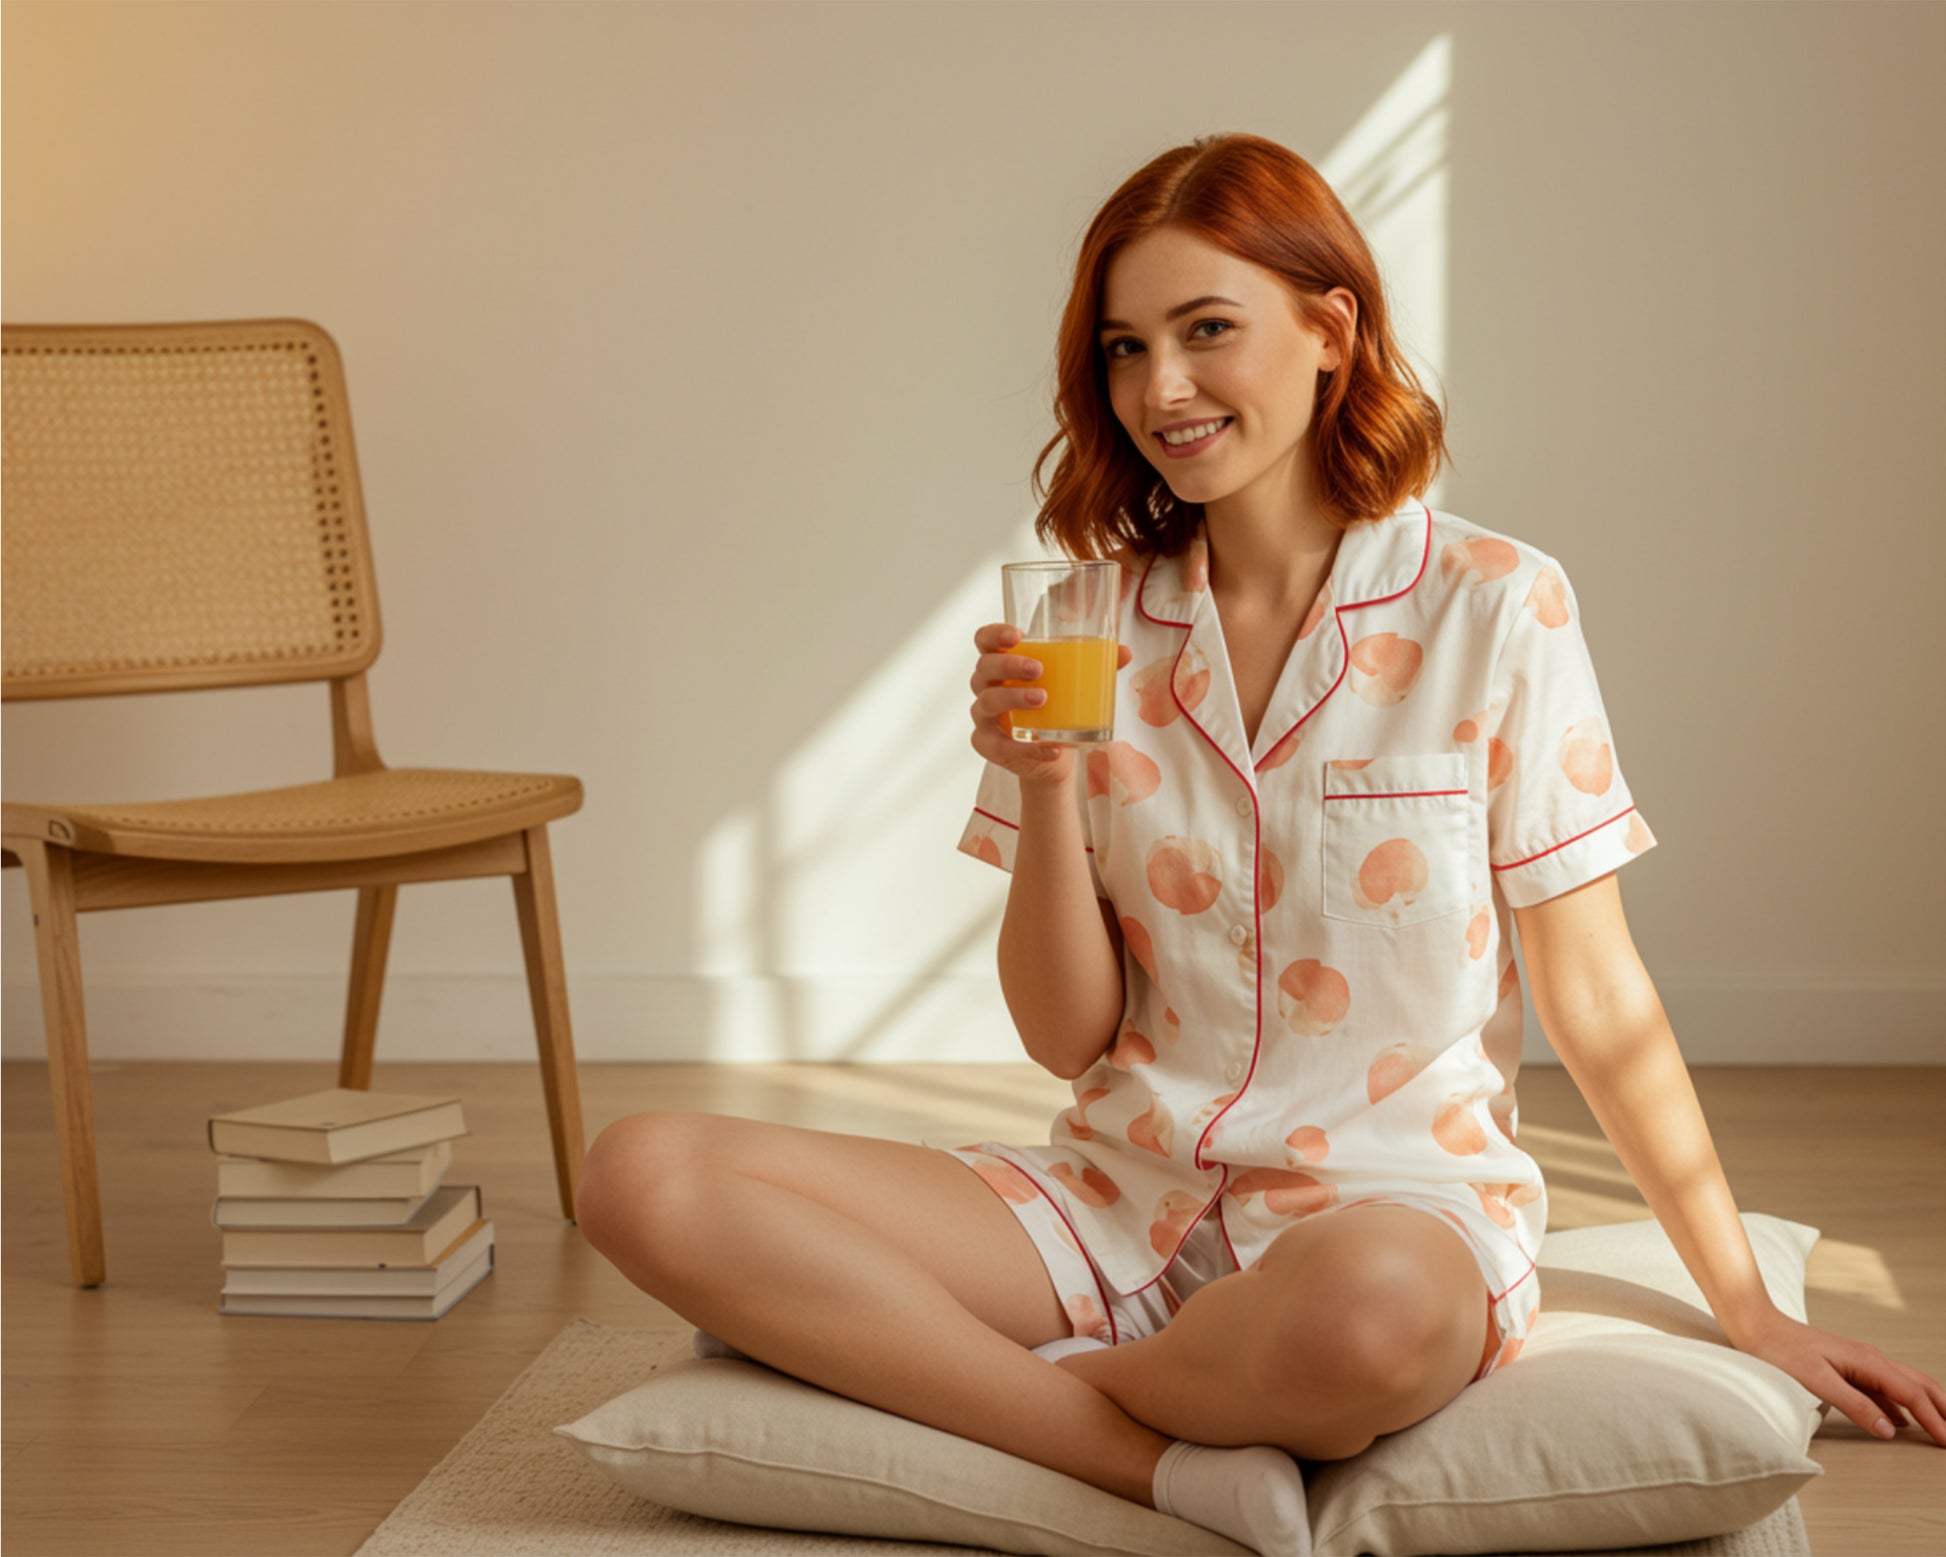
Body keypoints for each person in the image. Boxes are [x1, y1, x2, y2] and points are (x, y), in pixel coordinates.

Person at [575, 132, 1945, 1557]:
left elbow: (1595, 995)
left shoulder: (1494, 605)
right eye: (1124, 348)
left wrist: (1747, 1307)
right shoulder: (1084, 622)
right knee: (642, 1173)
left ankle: (985, 1385)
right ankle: (1140, 1462)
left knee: (1364, 1326)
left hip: (1390, 1219)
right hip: (1119, 1201)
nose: (1159, 387)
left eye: (1206, 329)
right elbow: (1063, 1036)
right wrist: (1042, 786)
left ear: (1329, 330)